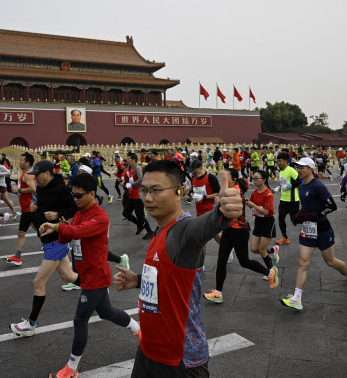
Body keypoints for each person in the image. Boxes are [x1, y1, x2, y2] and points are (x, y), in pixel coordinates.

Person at [112, 161, 243, 377]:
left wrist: (223, 212)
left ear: (179, 192)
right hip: (148, 350)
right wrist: (138, 279)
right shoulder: (161, 229)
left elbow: (208, 224)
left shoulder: (184, 230)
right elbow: (167, 277)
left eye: (156, 190)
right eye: (143, 190)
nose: (147, 198)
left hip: (180, 360)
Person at [39, 173, 141, 378]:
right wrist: (57, 227)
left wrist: (60, 226)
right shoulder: (79, 213)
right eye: (73, 195)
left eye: (78, 195)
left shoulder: (100, 216)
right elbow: (69, 234)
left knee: (80, 319)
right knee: (107, 313)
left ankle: (72, 368)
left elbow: (78, 232)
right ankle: (139, 329)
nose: (74, 199)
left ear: (92, 193)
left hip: (95, 276)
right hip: (87, 276)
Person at [10, 160, 79, 336]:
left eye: (38, 175)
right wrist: (37, 208)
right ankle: (99, 289)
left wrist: (58, 214)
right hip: (48, 240)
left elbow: (74, 208)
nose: (35, 179)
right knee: (68, 276)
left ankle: (30, 325)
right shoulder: (41, 188)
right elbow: (43, 207)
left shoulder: (61, 188)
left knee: (38, 282)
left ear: (48, 174)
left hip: (57, 239)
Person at [280, 158, 347, 310]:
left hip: (322, 229)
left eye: (302, 168)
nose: (299, 170)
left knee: (330, 261)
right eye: (298, 168)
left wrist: (315, 214)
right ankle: (297, 297)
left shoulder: (318, 185)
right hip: (308, 230)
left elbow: (332, 206)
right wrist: (300, 215)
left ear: (311, 169)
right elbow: (307, 206)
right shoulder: (301, 185)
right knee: (303, 263)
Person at [203, 167, 278, 304]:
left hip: (239, 231)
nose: (223, 180)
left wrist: (218, 202)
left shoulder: (236, 191)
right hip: (228, 230)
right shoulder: (229, 191)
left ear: (234, 179)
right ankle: (218, 293)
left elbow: (225, 206)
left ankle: (269, 273)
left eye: (225, 177)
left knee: (244, 262)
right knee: (221, 261)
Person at [5, 152, 37, 266]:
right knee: (37, 231)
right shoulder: (27, 173)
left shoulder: (28, 174)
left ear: (27, 163)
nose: (19, 162)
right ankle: (17, 257)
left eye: (21, 160)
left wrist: (18, 190)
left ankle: (59, 244)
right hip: (27, 209)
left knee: (22, 233)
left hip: (30, 209)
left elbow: (33, 188)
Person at [121, 153, 153, 240]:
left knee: (140, 216)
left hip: (138, 196)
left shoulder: (137, 168)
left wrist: (131, 185)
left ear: (134, 160)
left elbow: (141, 179)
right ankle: (139, 224)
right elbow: (131, 179)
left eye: (129, 160)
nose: (128, 162)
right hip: (132, 195)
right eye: (127, 160)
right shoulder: (131, 168)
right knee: (126, 213)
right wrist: (126, 184)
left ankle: (150, 231)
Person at [274, 153, 301, 245]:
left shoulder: (291, 170)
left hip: (292, 200)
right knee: (280, 218)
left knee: (296, 220)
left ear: (286, 161)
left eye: (280, 161)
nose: (279, 163)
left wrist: (290, 186)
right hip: (283, 199)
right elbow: (283, 184)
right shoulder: (281, 171)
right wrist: (279, 187)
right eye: (278, 161)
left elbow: (300, 181)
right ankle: (284, 237)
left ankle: (312, 229)